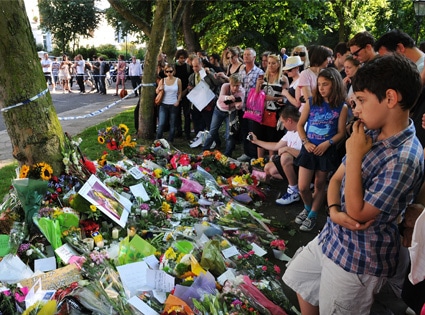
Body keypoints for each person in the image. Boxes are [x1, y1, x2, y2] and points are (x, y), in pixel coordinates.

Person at [283, 54, 424, 314]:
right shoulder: (368, 130)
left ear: (390, 98)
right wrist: (334, 211)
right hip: (332, 237)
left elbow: (358, 213)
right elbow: (336, 178)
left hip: (358, 259)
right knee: (302, 281)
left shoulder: (404, 157)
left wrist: (356, 154)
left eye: (361, 100)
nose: (355, 109)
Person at [294, 67, 348, 231]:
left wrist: (328, 143)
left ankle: (313, 215)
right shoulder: (312, 102)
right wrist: (305, 142)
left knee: (320, 184)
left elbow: (341, 133)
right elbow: (300, 125)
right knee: (303, 186)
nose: (321, 88)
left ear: (335, 85)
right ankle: (308, 208)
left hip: (326, 151)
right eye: (319, 84)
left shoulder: (342, 107)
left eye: (326, 84)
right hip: (308, 149)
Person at [249, 105, 302, 205]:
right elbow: (276, 146)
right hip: (294, 165)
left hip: (304, 166)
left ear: (289, 120)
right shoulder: (291, 131)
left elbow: (306, 155)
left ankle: (293, 191)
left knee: (285, 156)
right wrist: (256, 141)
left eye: (283, 122)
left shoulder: (304, 130)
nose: (283, 125)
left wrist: (287, 149)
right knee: (269, 168)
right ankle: (298, 184)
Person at [202, 73, 245, 157]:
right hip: (219, 110)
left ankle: (227, 154)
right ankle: (205, 150)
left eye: (237, 86)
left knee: (229, 134)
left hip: (231, 112)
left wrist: (238, 106)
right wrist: (227, 97)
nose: (235, 88)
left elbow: (240, 103)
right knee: (212, 131)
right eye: (233, 85)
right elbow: (221, 98)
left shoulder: (241, 91)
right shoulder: (225, 86)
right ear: (230, 83)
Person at [254, 54, 287, 158]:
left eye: (273, 63)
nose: (270, 65)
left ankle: (271, 161)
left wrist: (273, 99)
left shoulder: (283, 78)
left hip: (275, 112)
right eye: (269, 63)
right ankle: (259, 162)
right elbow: (256, 96)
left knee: (271, 138)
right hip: (261, 112)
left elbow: (286, 98)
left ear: (278, 64)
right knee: (259, 137)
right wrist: (258, 86)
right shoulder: (263, 77)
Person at [237, 48, 265, 162]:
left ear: (254, 57)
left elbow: (261, 91)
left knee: (252, 131)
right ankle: (246, 153)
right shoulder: (241, 71)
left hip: (253, 108)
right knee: (244, 130)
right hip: (242, 106)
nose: (246, 56)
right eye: (244, 54)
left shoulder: (259, 72)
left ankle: (254, 155)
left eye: (248, 55)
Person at [187, 57, 221, 138]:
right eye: (193, 66)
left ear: (201, 64)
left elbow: (217, 82)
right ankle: (199, 140)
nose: (194, 68)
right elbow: (190, 89)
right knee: (197, 123)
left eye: (196, 66)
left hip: (208, 102)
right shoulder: (192, 76)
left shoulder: (209, 71)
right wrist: (191, 89)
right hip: (196, 103)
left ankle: (215, 141)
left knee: (210, 123)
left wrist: (209, 73)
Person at [295, 45, 333, 112]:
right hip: (308, 112)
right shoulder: (305, 74)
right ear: (321, 58)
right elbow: (308, 99)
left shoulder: (326, 73)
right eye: (328, 57)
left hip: (324, 110)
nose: (329, 60)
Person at [156, 64, 182, 143]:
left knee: (172, 124)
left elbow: (180, 92)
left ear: (173, 71)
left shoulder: (178, 80)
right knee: (161, 124)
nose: (169, 73)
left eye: (170, 71)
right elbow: (157, 91)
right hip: (163, 104)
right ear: (165, 72)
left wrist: (178, 101)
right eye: (167, 71)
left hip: (173, 104)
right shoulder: (162, 80)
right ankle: (157, 141)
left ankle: (170, 141)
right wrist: (160, 88)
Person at [174, 49, 193, 140]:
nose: (183, 60)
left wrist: (184, 91)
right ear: (178, 58)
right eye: (181, 58)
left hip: (186, 92)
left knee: (187, 113)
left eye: (184, 58)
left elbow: (190, 80)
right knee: (177, 114)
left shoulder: (188, 67)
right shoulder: (174, 67)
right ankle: (179, 130)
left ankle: (187, 132)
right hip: (176, 93)